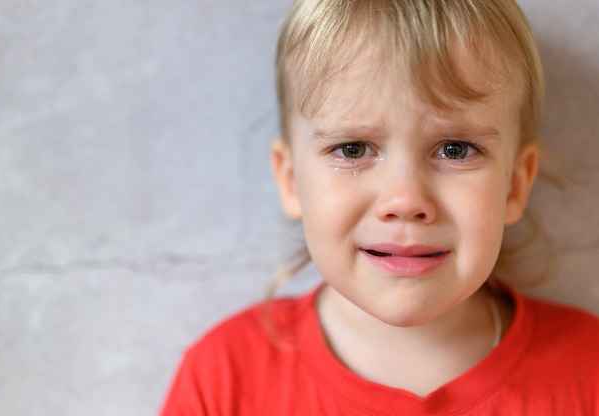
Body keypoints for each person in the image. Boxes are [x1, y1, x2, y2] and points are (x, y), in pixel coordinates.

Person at [161, 0, 599, 414]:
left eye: (454, 149)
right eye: (352, 150)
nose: (405, 201)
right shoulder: (224, 380)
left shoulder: (588, 372)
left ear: (514, 187)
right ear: (292, 180)